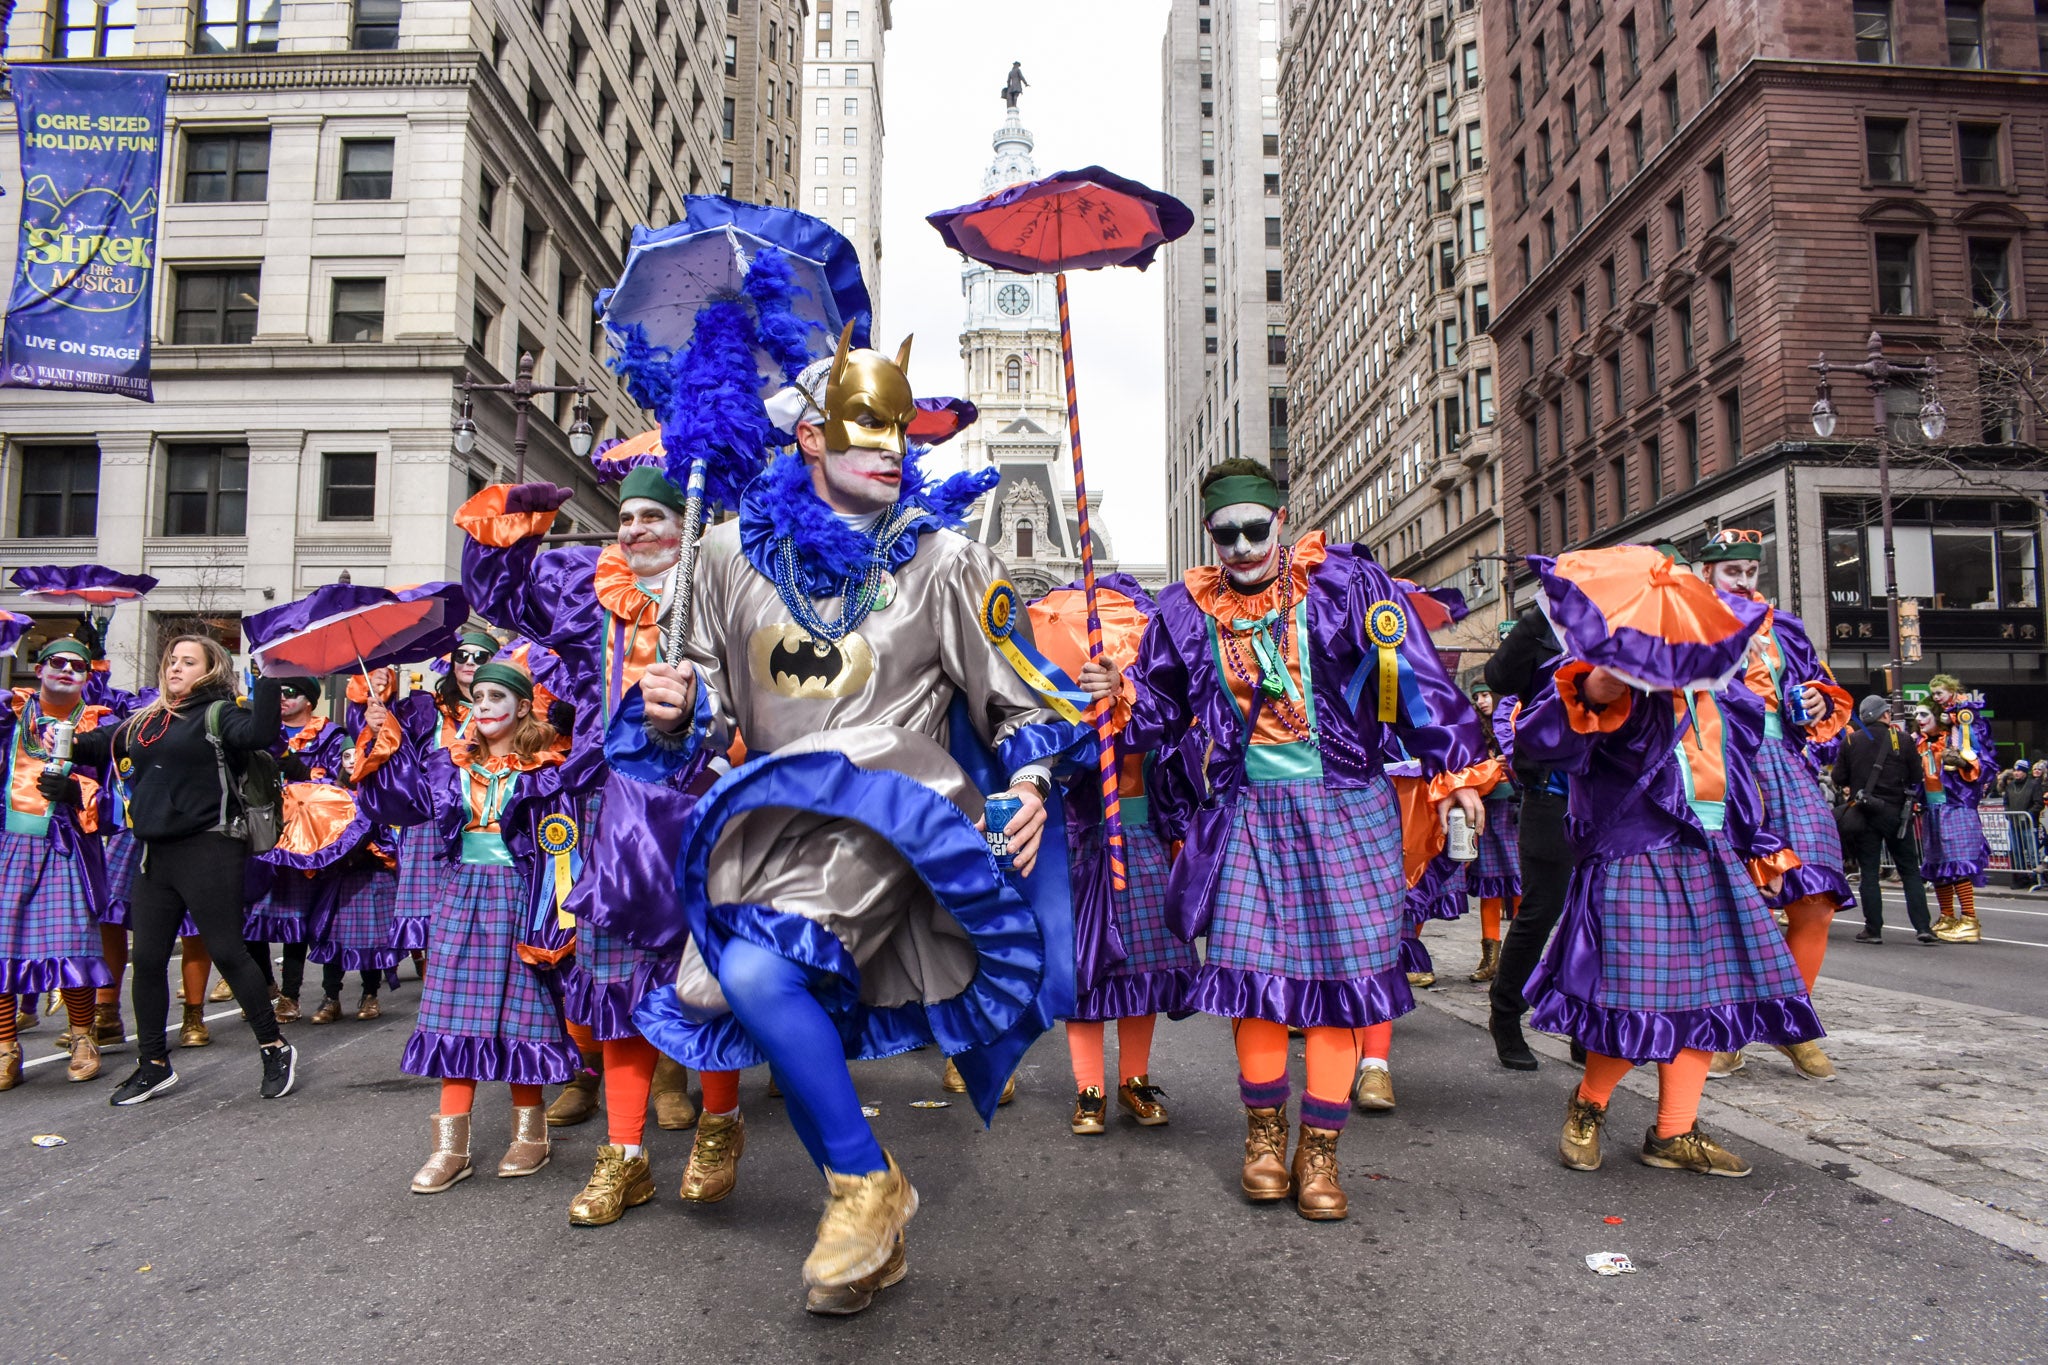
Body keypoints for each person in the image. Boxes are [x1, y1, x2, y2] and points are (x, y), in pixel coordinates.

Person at [614, 335, 1085, 1313]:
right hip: (771, 818)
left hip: (897, 810)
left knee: (753, 969)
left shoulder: (945, 559)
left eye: (898, 428)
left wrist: (1031, 783)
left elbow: (1023, 695)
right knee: (736, 989)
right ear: (810, 441)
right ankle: (876, 1230)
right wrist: (670, 705)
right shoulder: (723, 553)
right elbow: (703, 707)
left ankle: (861, 1186)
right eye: (864, 426)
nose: (889, 446)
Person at [1079, 457, 1487, 1223]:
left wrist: (1459, 767)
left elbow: (1419, 680)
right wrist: (1120, 689)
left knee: (1339, 986)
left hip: (1346, 808)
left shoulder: (1346, 587)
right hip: (1248, 814)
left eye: (1252, 528)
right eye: (1222, 533)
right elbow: (1160, 711)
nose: (1238, 546)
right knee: (1255, 981)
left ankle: (1321, 1149)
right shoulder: (1183, 609)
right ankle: (1265, 1137)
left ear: (1281, 517)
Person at [458, 461, 740, 1225]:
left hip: (705, 801)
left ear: (687, 527)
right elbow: (501, 597)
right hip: (611, 806)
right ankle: (626, 1154)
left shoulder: (724, 584)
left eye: (656, 518)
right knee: (615, 978)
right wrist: (516, 522)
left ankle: (720, 1127)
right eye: (628, 520)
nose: (639, 530)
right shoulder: (586, 585)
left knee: (708, 972)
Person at [1514, 554, 1822, 1179]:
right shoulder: (1607, 680)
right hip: (1635, 855)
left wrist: (1758, 828)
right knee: (1631, 997)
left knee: (1709, 997)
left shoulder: (1725, 693)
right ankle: (1588, 1107)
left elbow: (1742, 773)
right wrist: (1590, 690)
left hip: (1711, 855)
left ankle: (1674, 1132)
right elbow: (1538, 743)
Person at [354, 660, 579, 1192]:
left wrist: (554, 919)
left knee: (524, 1014)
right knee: (456, 1013)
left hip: (522, 899)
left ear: (523, 707)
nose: (482, 706)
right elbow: (401, 803)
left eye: (496, 696)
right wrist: (381, 731)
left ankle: (531, 1135)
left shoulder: (546, 773)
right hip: (461, 895)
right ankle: (451, 1148)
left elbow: (564, 848)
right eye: (477, 697)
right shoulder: (448, 766)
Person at [72, 635, 298, 1104]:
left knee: (228, 952)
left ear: (210, 670)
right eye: (172, 660)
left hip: (209, 848)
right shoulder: (144, 721)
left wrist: (270, 676)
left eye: (187, 661)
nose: (175, 667)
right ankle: (153, 1063)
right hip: (154, 854)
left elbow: (260, 734)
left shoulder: (219, 714)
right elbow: (92, 746)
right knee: (149, 960)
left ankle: (274, 1047)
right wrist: (55, 743)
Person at [1027, 576, 1195, 1137]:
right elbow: (1050, 766)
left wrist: (1122, 694)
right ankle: (1088, 1090)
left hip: (1143, 844)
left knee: (1142, 973)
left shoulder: (1148, 700)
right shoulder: (1056, 704)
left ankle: (1133, 1082)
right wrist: (1079, 715)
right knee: (1087, 974)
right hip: (1081, 847)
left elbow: (1172, 744)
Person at [1695, 530, 1854, 1082]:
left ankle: (1793, 1023)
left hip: (1785, 762)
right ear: (1706, 573)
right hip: (1716, 763)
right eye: (1730, 571)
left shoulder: (1785, 627)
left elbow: (1822, 694)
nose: (1742, 582)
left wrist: (1815, 700)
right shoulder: (1688, 623)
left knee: (1815, 897)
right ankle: (1729, 1030)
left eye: (1750, 571)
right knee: (1737, 904)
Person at [0, 639, 116, 1090]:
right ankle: (6, 1045)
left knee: (74, 943)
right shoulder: (10, 715)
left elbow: (122, 795)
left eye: (77, 665)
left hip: (67, 846)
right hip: (9, 842)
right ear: (39, 668)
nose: (66, 670)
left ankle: (83, 1037)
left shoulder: (100, 726)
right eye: (56, 662)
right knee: (3, 944)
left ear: (89, 676)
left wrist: (78, 794)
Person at [1483, 604, 1575, 1071]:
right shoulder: (1543, 631)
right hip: (1549, 793)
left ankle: (1588, 1019)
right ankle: (1506, 1011)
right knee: (1541, 909)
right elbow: (1498, 676)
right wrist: (1539, 616)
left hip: (1611, 798)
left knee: (1599, 910)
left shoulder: (1627, 630)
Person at [247, 676, 349, 1025]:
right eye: (275, 693)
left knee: (295, 918)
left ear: (310, 700)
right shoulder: (258, 730)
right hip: (260, 828)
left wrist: (300, 771)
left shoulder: (331, 735)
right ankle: (266, 986)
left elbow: (339, 785)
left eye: (288, 693)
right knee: (249, 914)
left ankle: (290, 996)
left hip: (306, 836)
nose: (280, 699)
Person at [1833, 695, 1938, 944]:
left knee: (1869, 872)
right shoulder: (1900, 739)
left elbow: (1838, 776)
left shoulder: (1851, 740)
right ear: (1885, 715)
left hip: (1865, 813)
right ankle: (1923, 927)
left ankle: (1873, 929)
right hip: (1896, 813)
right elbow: (1915, 775)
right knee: (1910, 871)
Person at [1914, 695, 1993, 945]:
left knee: (1958, 863)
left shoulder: (1958, 738)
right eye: (1916, 715)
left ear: (1939, 717)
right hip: (1932, 809)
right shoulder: (1921, 743)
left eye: (1924, 714)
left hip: (1956, 807)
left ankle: (1969, 920)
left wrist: (1961, 761)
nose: (1918, 720)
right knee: (1937, 866)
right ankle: (1947, 916)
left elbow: (1985, 766)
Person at [1467, 683, 1520, 983]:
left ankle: (1520, 956)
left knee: (1519, 886)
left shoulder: (1517, 721)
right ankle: (1491, 959)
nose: (1481, 701)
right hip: (1486, 813)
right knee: (1490, 887)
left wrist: (1511, 763)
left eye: (1486, 694)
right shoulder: (1476, 732)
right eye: (1476, 697)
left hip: (1515, 813)